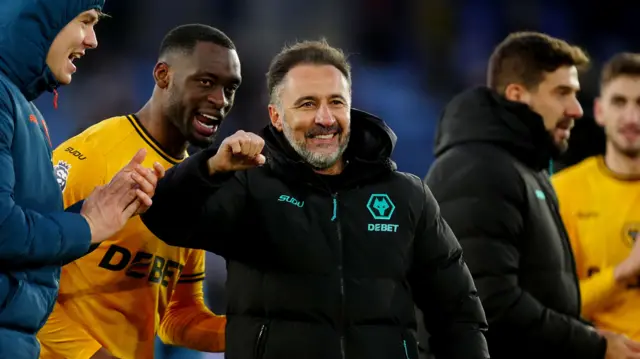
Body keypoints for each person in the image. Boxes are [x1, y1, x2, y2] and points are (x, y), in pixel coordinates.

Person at [140, 39, 489, 359]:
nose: (325, 119)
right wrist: (211, 167)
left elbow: (458, 312)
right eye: (307, 104)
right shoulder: (248, 186)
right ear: (276, 116)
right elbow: (165, 218)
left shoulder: (406, 194)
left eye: (336, 102)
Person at [424, 31, 640, 359]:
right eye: (562, 93)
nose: (576, 109)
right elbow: (489, 304)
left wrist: (590, 335)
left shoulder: (528, 171)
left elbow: (548, 297)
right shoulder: (479, 170)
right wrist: (594, 344)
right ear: (517, 95)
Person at [36, 24, 240, 359]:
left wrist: (253, 332)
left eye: (230, 88)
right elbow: (19, 277)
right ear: (163, 75)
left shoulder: (194, 188)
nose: (220, 101)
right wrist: (93, 355)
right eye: (206, 82)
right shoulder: (92, 154)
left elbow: (178, 316)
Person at [0, 1, 162, 359]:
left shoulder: (23, 108)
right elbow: (4, 231)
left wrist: (92, 214)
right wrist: (86, 226)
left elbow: (23, 242)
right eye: (85, 22)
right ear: (41, 18)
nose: (92, 40)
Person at [552, 53, 640, 341]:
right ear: (600, 111)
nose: (632, 117)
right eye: (620, 102)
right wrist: (623, 273)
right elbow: (553, 306)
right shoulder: (563, 191)